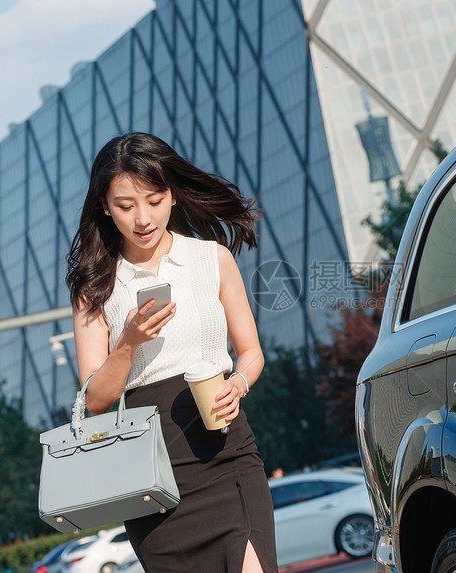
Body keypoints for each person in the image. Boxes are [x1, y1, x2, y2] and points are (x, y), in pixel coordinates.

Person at [65, 132, 278, 573]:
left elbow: (251, 351)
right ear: (105, 206)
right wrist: (128, 343)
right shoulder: (95, 288)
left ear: (173, 194)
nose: (143, 218)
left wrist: (237, 383)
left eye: (155, 200)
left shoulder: (211, 258)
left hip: (226, 452)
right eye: (125, 206)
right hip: (150, 475)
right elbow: (94, 400)